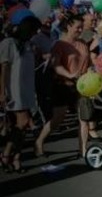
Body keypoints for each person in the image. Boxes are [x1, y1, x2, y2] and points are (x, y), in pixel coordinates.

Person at [35, 14, 92, 157]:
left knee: (84, 118)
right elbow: (56, 65)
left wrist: (91, 72)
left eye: (81, 27)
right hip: (64, 85)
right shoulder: (59, 44)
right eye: (77, 27)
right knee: (57, 118)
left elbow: (88, 62)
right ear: (68, 26)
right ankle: (39, 141)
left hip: (83, 86)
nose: (80, 30)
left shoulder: (83, 43)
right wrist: (70, 75)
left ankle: (83, 150)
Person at [0, 15, 41, 173]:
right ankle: (7, 155)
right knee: (23, 122)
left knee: (21, 127)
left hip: (27, 90)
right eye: (33, 30)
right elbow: (4, 68)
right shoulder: (8, 43)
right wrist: (2, 91)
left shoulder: (28, 44)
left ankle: (13, 157)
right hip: (13, 90)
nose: (34, 33)